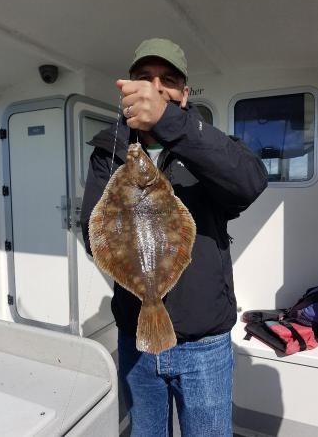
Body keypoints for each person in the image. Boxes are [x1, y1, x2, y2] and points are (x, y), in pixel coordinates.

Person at [81, 38, 268, 437]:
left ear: (184, 94)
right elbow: (91, 233)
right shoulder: (109, 150)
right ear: (130, 87)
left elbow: (251, 181)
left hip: (204, 346)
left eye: (167, 80)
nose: (154, 87)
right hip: (136, 341)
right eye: (144, 78)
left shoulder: (208, 148)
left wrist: (170, 122)